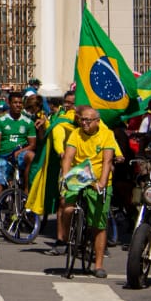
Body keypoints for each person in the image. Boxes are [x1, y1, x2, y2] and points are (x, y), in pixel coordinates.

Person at [55, 106, 120, 278]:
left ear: (97, 121)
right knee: (66, 208)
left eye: (88, 120)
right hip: (79, 176)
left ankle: (98, 264)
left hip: (98, 179)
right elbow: (68, 157)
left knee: (98, 224)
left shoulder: (107, 135)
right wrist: (66, 179)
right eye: (82, 119)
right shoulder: (76, 134)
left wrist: (102, 183)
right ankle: (71, 238)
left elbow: (107, 162)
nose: (84, 123)